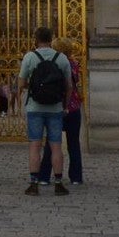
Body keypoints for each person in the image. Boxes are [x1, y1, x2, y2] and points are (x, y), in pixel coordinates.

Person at [18, 25, 73, 196]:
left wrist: (34, 86)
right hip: (55, 107)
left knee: (35, 146)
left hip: (35, 107)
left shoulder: (30, 57)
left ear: (36, 39)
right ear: (51, 39)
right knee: (56, 146)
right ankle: (58, 183)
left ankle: (34, 184)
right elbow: (69, 86)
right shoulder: (62, 58)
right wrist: (65, 105)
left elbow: (21, 83)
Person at [36, 38, 85, 187]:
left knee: (51, 144)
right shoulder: (74, 64)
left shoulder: (55, 64)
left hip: (57, 106)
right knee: (74, 144)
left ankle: (44, 176)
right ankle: (76, 177)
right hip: (73, 107)